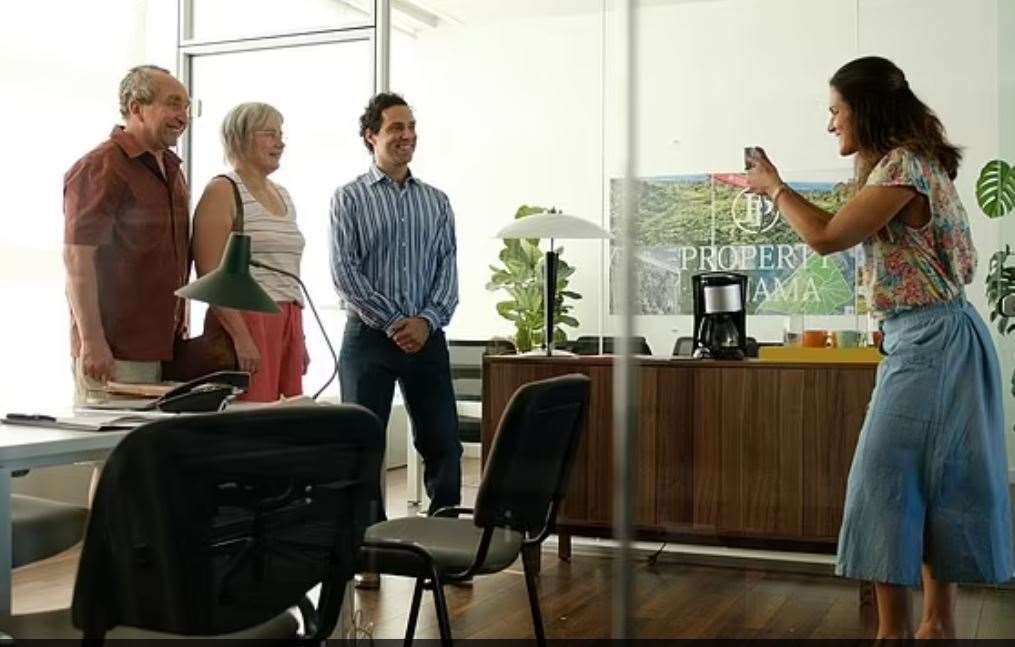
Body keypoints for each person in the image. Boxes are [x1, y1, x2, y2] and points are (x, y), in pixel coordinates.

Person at [746, 56, 1014, 639]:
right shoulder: (908, 165)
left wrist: (775, 189)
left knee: (883, 480)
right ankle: (934, 625)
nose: (831, 124)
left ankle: (894, 634)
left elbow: (825, 236)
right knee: (938, 479)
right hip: (936, 334)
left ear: (864, 110)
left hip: (933, 340)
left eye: (836, 111)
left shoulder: (903, 168)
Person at [330, 93, 461, 580]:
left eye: (411, 126)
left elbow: (448, 272)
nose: (407, 135)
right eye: (395, 128)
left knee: (442, 440)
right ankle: (369, 553)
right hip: (368, 339)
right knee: (364, 445)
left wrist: (425, 321)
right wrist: (393, 323)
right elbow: (345, 274)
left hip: (428, 338)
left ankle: (446, 544)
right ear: (371, 136)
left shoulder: (437, 202)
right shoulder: (348, 198)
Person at [64, 65, 191, 404]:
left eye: (187, 107)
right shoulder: (101, 166)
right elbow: (78, 260)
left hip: (166, 349)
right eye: (174, 104)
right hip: (115, 352)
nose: (183, 116)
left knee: (150, 455)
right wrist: (91, 341)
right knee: (111, 455)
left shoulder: (174, 171)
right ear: (137, 108)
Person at [192, 102, 308, 402]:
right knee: (251, 417)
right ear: (240, 138)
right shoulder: (222, 190)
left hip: (289, 315)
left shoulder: (283, 194)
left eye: (280, 134)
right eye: (269, 133)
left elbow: (289, 269)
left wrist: (299, 337)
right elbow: (209, 273)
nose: (280, 142)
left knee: (287, 419)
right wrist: (241, 337)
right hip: (248, 318)